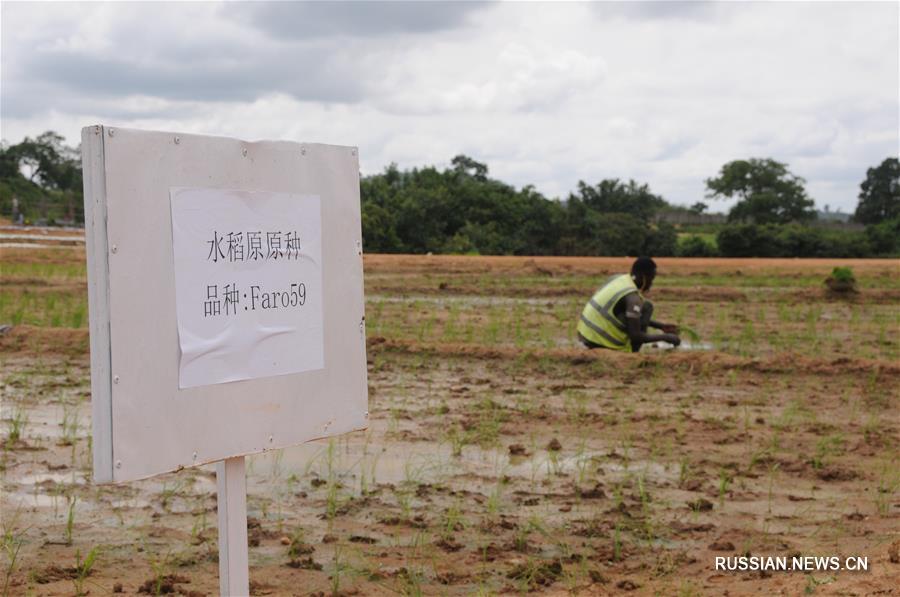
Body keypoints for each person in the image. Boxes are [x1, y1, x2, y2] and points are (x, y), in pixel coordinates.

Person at [576, 257, 680, 353]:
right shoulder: (633, 297)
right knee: (647, 307)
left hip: (585, 334)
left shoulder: (618, 279)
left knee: (642, 308)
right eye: (651, 279)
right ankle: (633, 352)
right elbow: (636, 336)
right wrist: (665, 337)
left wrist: (660, 326)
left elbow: (622, 314)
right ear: (643, 277)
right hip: (601, 341)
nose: (651, 284)